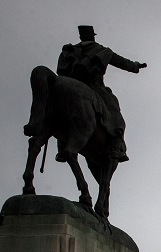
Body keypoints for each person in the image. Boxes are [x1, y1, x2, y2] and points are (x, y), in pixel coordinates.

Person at [56, 25, 147, 162]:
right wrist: (135, 66)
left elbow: (60, 71)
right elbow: (120, 62)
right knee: (115, 112)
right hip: (94, 86)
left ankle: (61, 145)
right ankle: (116, 147)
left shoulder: (69, 51)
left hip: (66, 85)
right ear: (93, 36)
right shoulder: (100, 50)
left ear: (81, 37)